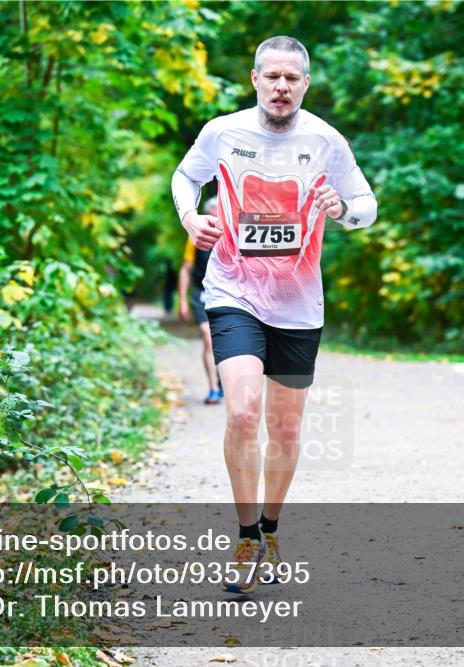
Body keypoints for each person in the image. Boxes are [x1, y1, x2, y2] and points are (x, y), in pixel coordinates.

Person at [171, 35, 377, 594]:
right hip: (234, 291)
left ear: (305, 84)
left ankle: (271, 526)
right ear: (256, 80)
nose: (281, 87)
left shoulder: (326, 141)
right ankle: (245, 538)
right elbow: (185, 177)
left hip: (299, 305)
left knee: (285, 427)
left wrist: (345, 212)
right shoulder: (222, 132)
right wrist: (191, 217)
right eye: (272, 77)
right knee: (242, 413)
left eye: (293, 78)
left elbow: (366, 203)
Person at [178, 196, 223, 404]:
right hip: (201, 292)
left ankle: (223, 379)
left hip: (226, 293)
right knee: (207, 335)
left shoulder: (232, 234)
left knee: (224, 340)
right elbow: (186, 269)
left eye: (219, 210)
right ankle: (213, 388)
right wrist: (183, 301)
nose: (216, 214)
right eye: (213, 210)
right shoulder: (195, 237)